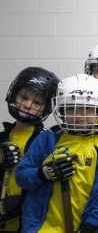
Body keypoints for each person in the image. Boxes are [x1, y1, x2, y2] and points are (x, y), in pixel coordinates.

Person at [15, 74, 98, 233]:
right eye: (71, 107)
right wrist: (43, 174)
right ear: (61, 108)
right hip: (40, 228)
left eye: (88, 108)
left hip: (80, 226)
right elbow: (21, 176)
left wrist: (89, 226)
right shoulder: (47, 139)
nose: (79, 114)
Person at [0, 67, 59, 232]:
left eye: (37, 102)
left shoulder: (46, 140)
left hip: (27, 220)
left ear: (46, 107)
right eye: (24, 97)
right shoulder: (2, 137)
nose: (27, 105)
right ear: (13, 94)